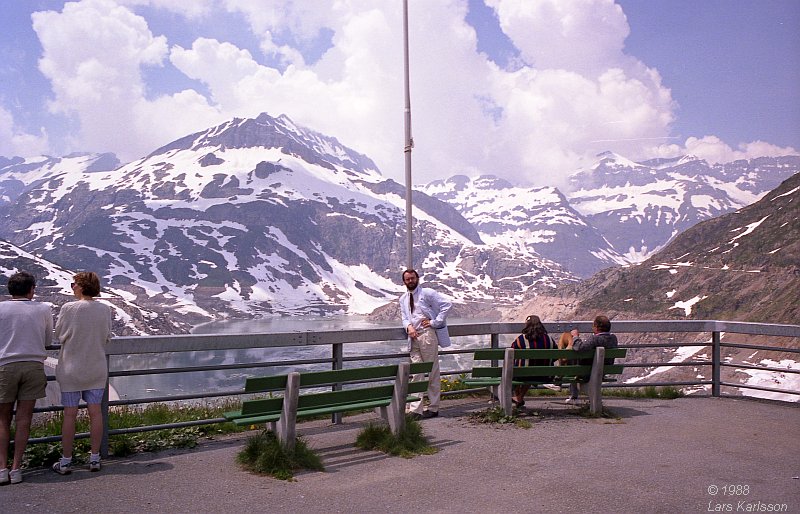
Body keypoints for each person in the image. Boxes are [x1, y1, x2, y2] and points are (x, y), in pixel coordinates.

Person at [52, 272, 112, 475]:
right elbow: (106, 336)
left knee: (70, 414)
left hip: (71, 369)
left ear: (81, 286)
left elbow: (60, 334)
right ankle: (95, 458)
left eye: (74, 284)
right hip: (96, 368)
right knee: (95, 413)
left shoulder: (69, 308)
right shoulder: (105, 309)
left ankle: (66, 461)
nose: (72, 288)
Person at [0, 271, 53, 485]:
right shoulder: (44, 309)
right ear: (32, 290)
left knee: (2, 419)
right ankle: (16, 468)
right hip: (33, 366)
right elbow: (48, 339)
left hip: (5, 365)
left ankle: (1, 468)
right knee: (24, 420)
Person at [399, 269, 452, 419]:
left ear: (417, 278)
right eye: (407, 279)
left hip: (427, 335)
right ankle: (416, 409)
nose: (410, 281)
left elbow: (447, 305)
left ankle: (434, 407)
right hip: (413, 337)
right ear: (404, 282)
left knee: (432, 371)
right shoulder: (403, 298)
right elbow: (404, 317)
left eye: (412, 278)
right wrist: (408, 326)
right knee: (416, 373)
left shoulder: (427, 293)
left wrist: (434, 322)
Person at [567, 315, 618, 403]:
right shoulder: (613, 338)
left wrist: (575, 336)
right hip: (603, 371)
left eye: (593, 325)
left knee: (573, 361)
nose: (592, 327)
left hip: (588, 372)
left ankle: (573, 396)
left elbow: (579, 348)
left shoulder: (595, 339)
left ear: (597, 327)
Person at [510, 315, 557, 407]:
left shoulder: (522, 339)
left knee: (518, 370)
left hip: (524, 375)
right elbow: (555, 356)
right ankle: (519, 398)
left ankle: (518, 397)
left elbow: (511, 354)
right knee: (530, 371)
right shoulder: (549, 339)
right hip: (546, 375)